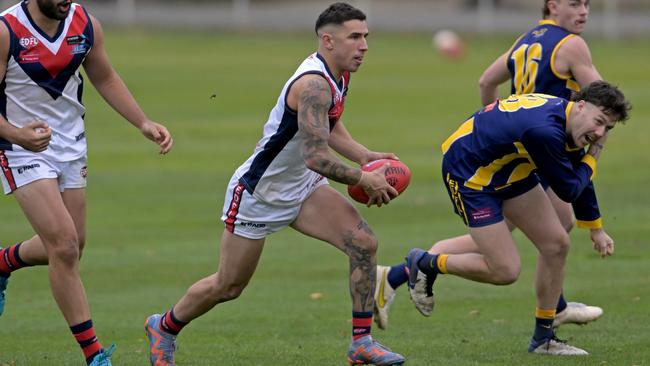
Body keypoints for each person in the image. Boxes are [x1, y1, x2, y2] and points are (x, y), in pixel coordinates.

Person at [144, 3, 405, 366]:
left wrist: (363, 154)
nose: (363, 46)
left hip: (304, 186)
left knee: (363, 243)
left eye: (365, 37)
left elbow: (328, 123)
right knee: (229, 286)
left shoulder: (338, 73)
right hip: (259, 193)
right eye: (355, 37)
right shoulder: (313, 84)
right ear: (328, 40)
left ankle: (361, 343)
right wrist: (364, 178)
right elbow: (316, 154)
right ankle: (165, 326)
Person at [374, 0, 606, 332]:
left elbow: (486, 81)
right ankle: (553, 309)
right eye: (574, 3)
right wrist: (599, 128)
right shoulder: (572, 45)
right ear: (552, 6)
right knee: (536, 239)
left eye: (587, 4)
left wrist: (495, 122)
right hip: (540, 149)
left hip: (519, 150)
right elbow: (601, 96)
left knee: (550, 230)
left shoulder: (525, 40)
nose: (583, 11)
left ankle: (395, 275)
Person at [0, 1, 173, 365]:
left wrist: (142, 122)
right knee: (62, 245)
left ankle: (4, 262)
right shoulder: (6, 31)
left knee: (73, 245)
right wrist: (16, 134)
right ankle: (95, 356)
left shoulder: (84, 23)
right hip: (20, 149)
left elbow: (105, 77)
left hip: (71, 146)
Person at [409, 82, 630, 355]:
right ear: (581, 105)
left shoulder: (570, 120)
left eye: (608, 128)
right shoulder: (545, 131)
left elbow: (575, 175)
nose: (600, 133)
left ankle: (543, 339)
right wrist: (595, 156)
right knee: (505, 271)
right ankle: (427, 262)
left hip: (508, 168)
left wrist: (596, 228)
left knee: (556, 244)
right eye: (599, 122)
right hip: (469, 173)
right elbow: (570, 187)